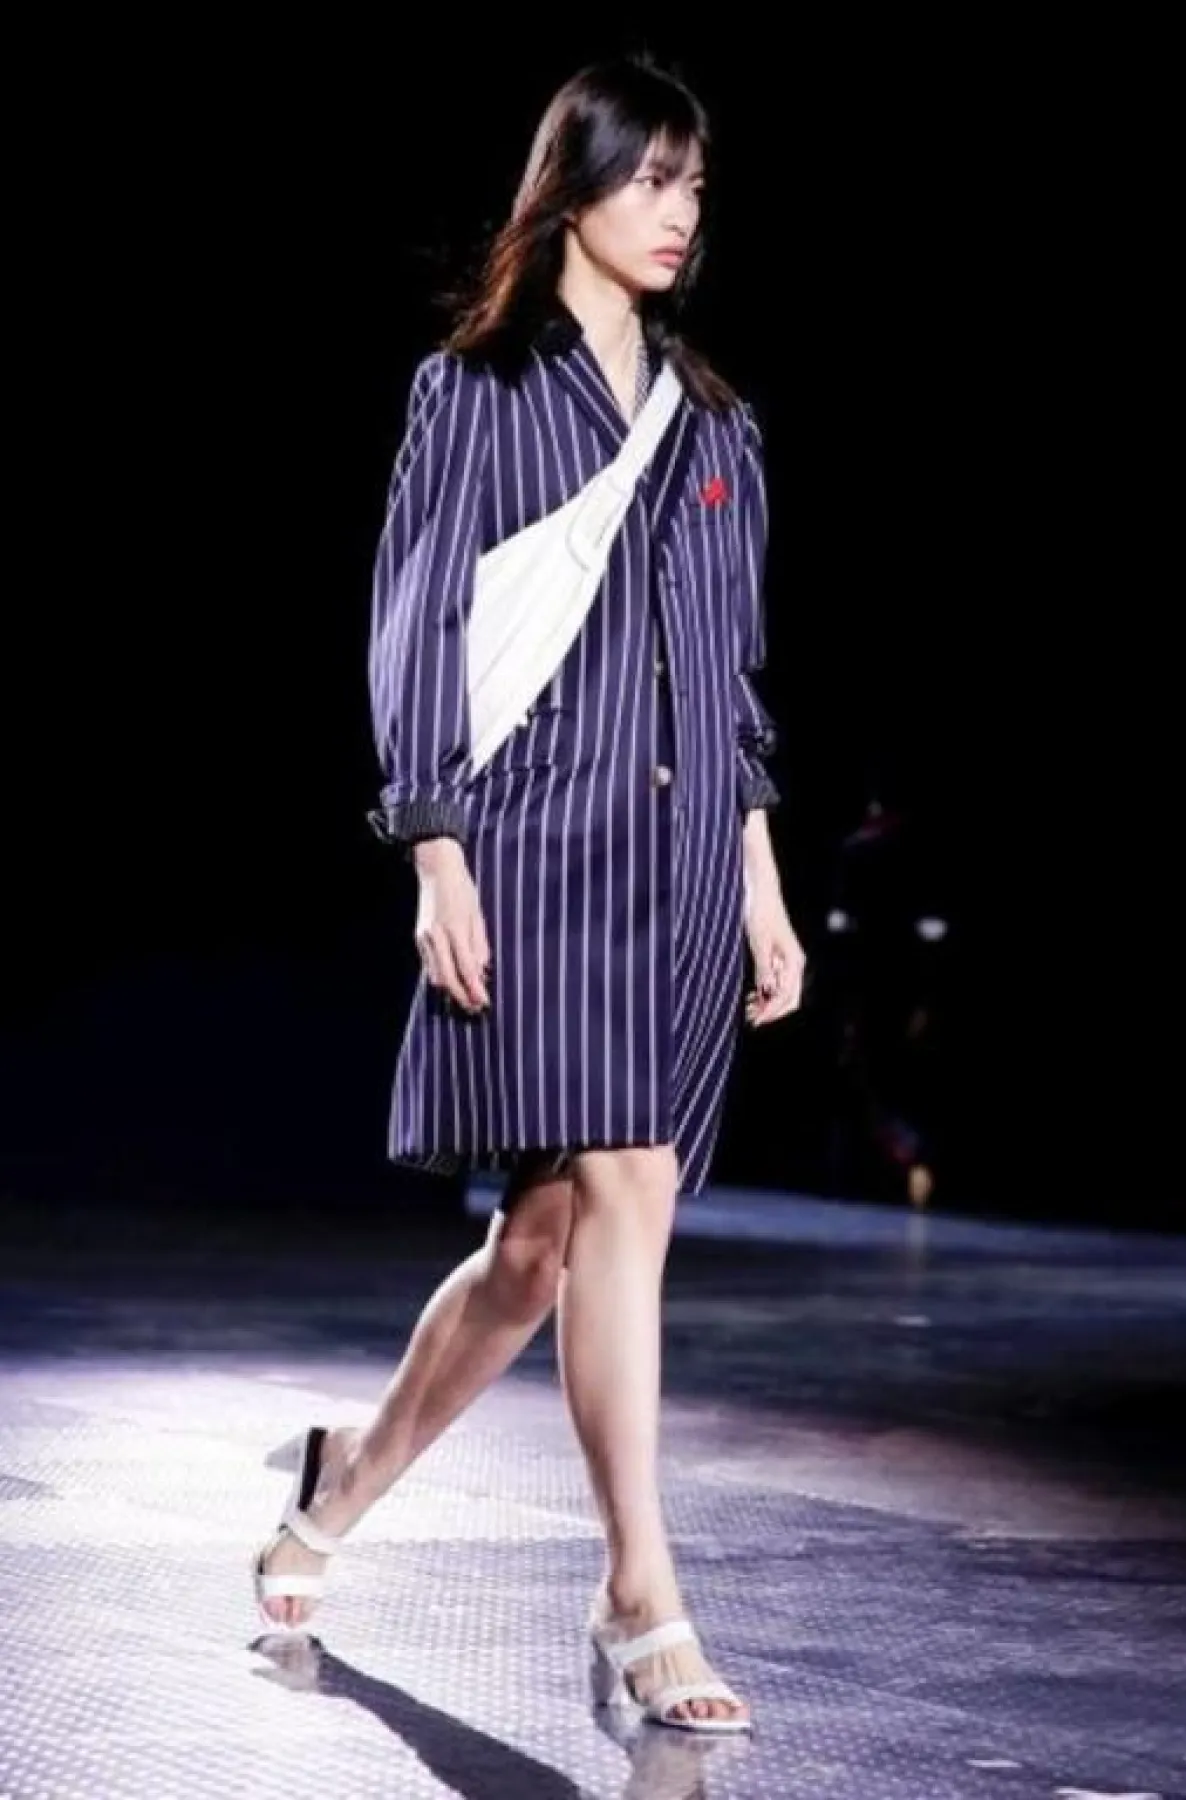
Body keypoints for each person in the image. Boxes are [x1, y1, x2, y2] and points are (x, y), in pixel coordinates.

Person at [252, 53, 805, 1734]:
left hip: (682, 868)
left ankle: (341, 1483)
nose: (680, 213)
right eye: (651, 179)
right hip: (537, 847)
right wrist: (433, 847)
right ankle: (640, 1588)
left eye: (695, 186)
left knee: (540, 1248)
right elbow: (416, 627)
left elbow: (732, 676)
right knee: (623, 1185)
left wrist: (761, 880)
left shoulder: (717, 424)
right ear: (572, 190)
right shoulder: (475, 393)